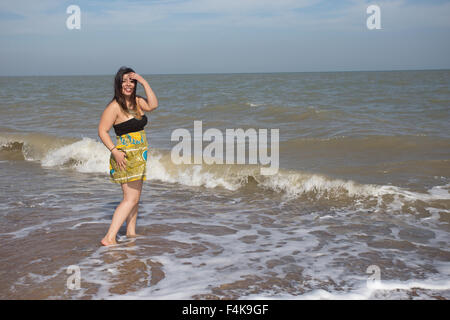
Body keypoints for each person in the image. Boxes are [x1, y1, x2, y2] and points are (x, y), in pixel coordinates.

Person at [98, 67, 158, 246]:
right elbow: (102, 131)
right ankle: (109, 237)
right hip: (125, 157)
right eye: (125, 81)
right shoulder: (115, 107)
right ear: (118, 84)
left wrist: (144, 81)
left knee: (135, 198)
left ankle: (131, 232)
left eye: (132, 81)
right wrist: (114, 151)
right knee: (129, 198)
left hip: (140, 156)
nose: (128, 84)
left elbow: (153, 105)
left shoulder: (139, 102)